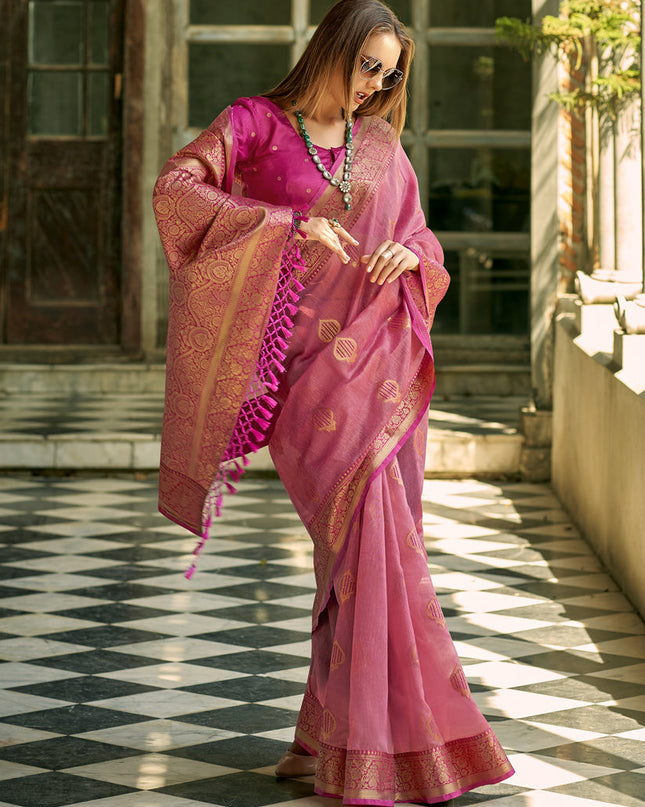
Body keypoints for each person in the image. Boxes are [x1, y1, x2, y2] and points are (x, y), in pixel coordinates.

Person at [153, 1, 514, 803]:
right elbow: (176, 192)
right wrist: (284, 227)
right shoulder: (251, 125)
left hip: (377, 365)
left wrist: (405, 252)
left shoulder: (381, 146)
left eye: (389, 74)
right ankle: (381, 741)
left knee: (361, 556)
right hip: (298, 375)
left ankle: (333, 739)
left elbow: (423, 242)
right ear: (331, 49)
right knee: (358, 551)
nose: (375, 86)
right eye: (367, 66)